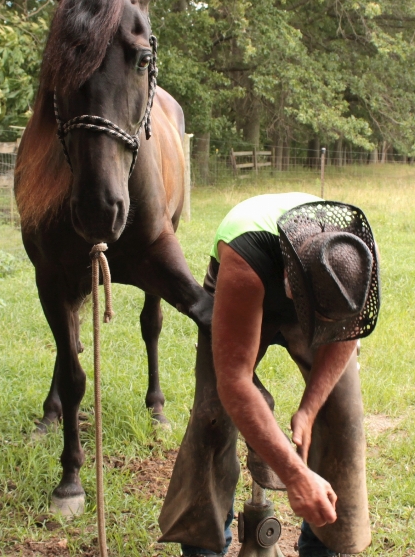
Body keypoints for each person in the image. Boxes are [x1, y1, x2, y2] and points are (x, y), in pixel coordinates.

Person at [158, 192, 381, 557]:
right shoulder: (247, 260)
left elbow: (343, 339)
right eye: (316, 321)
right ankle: (204, 547)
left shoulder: (355, 264)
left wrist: (308, 411)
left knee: (344, 420)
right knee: (212, 419)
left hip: (322, 292)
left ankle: (323, 548)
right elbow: (235, 380)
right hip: (245, 283)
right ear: (289, 281)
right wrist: (295, 474)